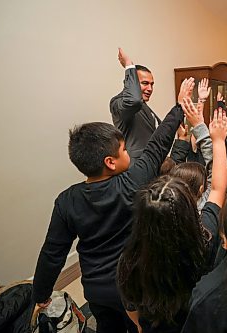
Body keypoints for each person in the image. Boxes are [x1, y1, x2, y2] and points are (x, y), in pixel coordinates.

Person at [32, 79, 194, 333]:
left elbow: (53, 252)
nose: (129, 152)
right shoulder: (133, 182)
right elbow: (158, 144)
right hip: (136, 284)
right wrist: (179, 106)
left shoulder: (66, 201)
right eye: (124, 149)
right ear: (111, 162)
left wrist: (40, 292)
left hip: (96, 290)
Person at [117, 107, 227, 332]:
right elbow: (218, 188)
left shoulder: (129, 260)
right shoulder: (204, 239)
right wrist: (217, 142)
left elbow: (131, 307)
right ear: (189, 208)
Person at [110, 48, 179, 158]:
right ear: (132, 83)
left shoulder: (143, 106)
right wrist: (129, 65)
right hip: (137, 167)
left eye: (152, 84)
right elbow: (133, 100)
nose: (150, 88)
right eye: (145, 83)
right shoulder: (119, 103)